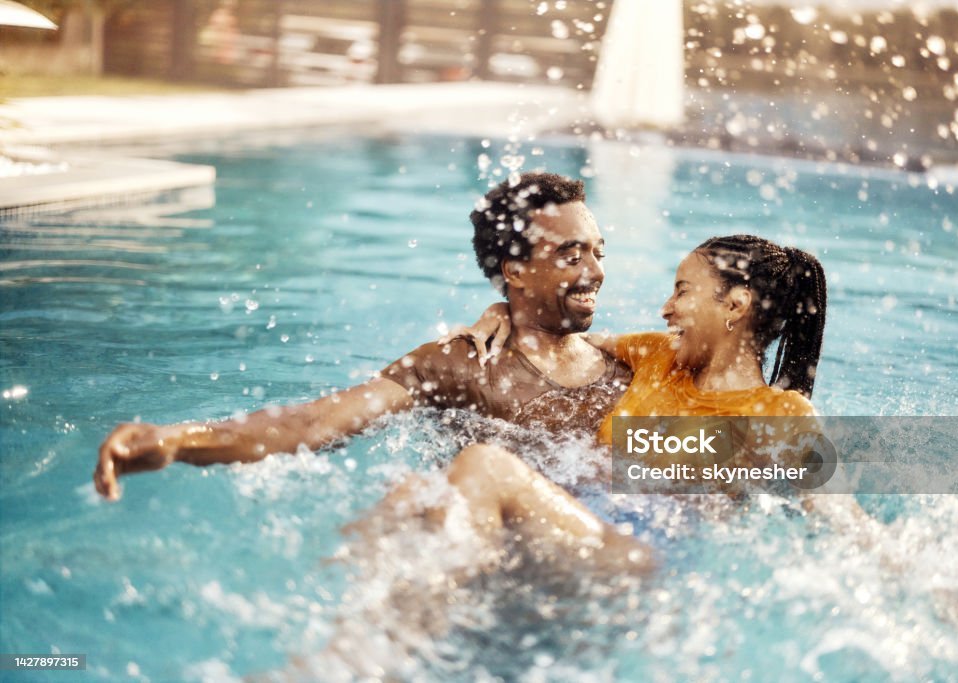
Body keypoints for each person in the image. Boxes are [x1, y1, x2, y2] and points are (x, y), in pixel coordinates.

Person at [94, 172, 632, 500]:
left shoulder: (637, 366)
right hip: (494, 563)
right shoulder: (461, 365)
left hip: (612, 555)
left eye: (598, 252)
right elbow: (316, 421)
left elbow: (703, 466)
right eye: (570, 254)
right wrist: (179, 439)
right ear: (513, 272)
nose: (595, 272)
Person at [368, 234, 828, 571]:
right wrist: (500, 312)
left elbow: (835, 514)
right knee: (411, 494)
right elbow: (559, 332)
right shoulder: (656, 356)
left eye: (683, 291)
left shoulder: (781, 413)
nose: (666, 308)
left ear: (735, 305)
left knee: (485, 465)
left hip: (644, 554)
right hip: (575, 521)